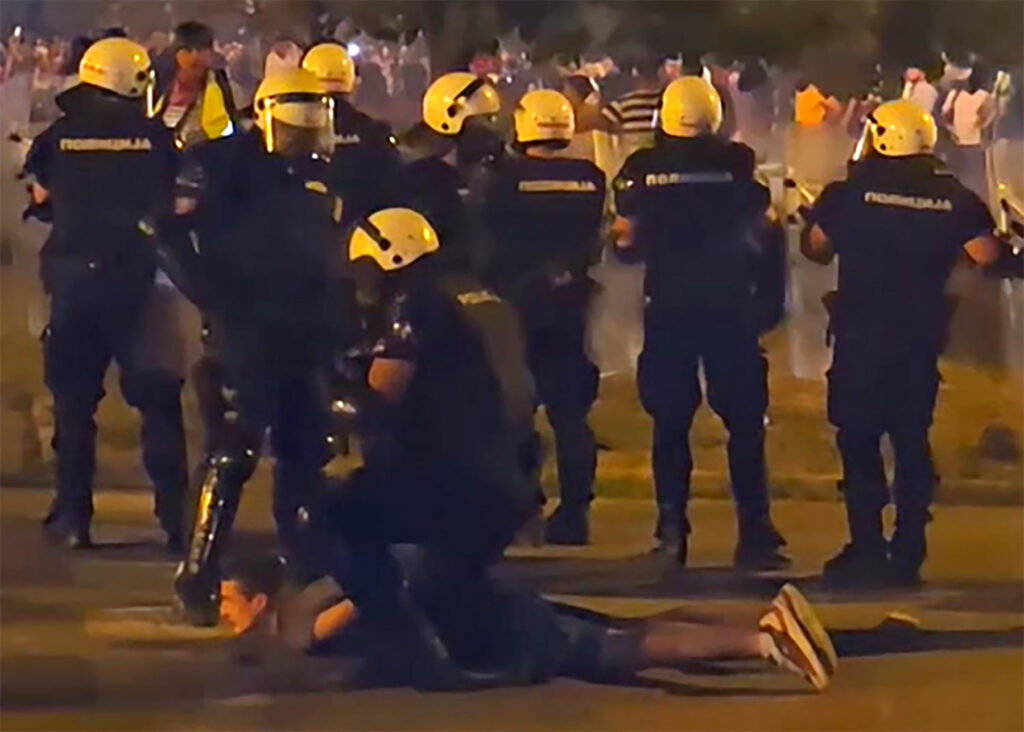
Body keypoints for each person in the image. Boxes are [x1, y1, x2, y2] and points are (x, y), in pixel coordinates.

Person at [161, 68, 350, 625]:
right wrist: (211, 294)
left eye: (312, 123)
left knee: (305, 454)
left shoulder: (323, 172)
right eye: (294, 123)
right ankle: (197, 575)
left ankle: (303, 568)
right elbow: (167, 232)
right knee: (231, 453)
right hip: (245, 330)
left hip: (306, 329)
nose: (303, 134)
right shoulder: (221, 163)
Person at [800, 99, 1001, 587]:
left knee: (859, 439)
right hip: (919, 338)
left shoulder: (849, 193)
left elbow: (816, 247)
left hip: (861, 335)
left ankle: (866, 547)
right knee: (911, 439)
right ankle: (909, 545)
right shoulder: (953, 197)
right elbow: (987, 255)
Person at [611, 76, 787, 570]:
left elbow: (625, 243)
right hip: (729, 307)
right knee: (745, 425)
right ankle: (755, 530)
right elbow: (766, 234)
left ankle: (671, 531)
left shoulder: (642, 170)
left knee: (670, 423)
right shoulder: (739, 167)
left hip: (670, 307)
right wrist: (770, 302)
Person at [22, 37, 185, 550]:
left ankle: (74, 516)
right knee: (159, 402)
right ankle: (177, 519)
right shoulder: (156, 138)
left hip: (74, 279)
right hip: (139, 279)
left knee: (73, 405)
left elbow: (41, 195)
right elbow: (176, 200)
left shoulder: (59, 135)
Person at [218, 557, 835, 692]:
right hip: (487, 606)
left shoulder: (302, 627)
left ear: (260, 601)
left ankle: (764, 640)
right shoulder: (315, 589)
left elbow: (375, 592)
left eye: (228, 603)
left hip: (492, 631)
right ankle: (760, 625)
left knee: (621, 649)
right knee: (621, 633)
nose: (222, 615)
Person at [482, 89, 605, 545]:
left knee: (513, 415)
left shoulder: (503, 181)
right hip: (570, 307)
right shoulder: (591, 178)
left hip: (517, 308)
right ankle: (575, 513)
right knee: (571, 417)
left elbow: (489, 245)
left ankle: (522, 511)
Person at [392, 71, 502, 267]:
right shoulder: (417, 175)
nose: (491, 129)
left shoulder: (479, 166)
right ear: (451, 116)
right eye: (484, 119)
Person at [301, 42, 400, 226]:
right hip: (364, 233)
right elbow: (392, 192)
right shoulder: (374, 132)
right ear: (353, 82)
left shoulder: (292, 133)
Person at [152, 21, 236, 149]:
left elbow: (229, 126)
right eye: (207, 49)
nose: (211, 55)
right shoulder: (160, 84)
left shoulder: (217, 85)